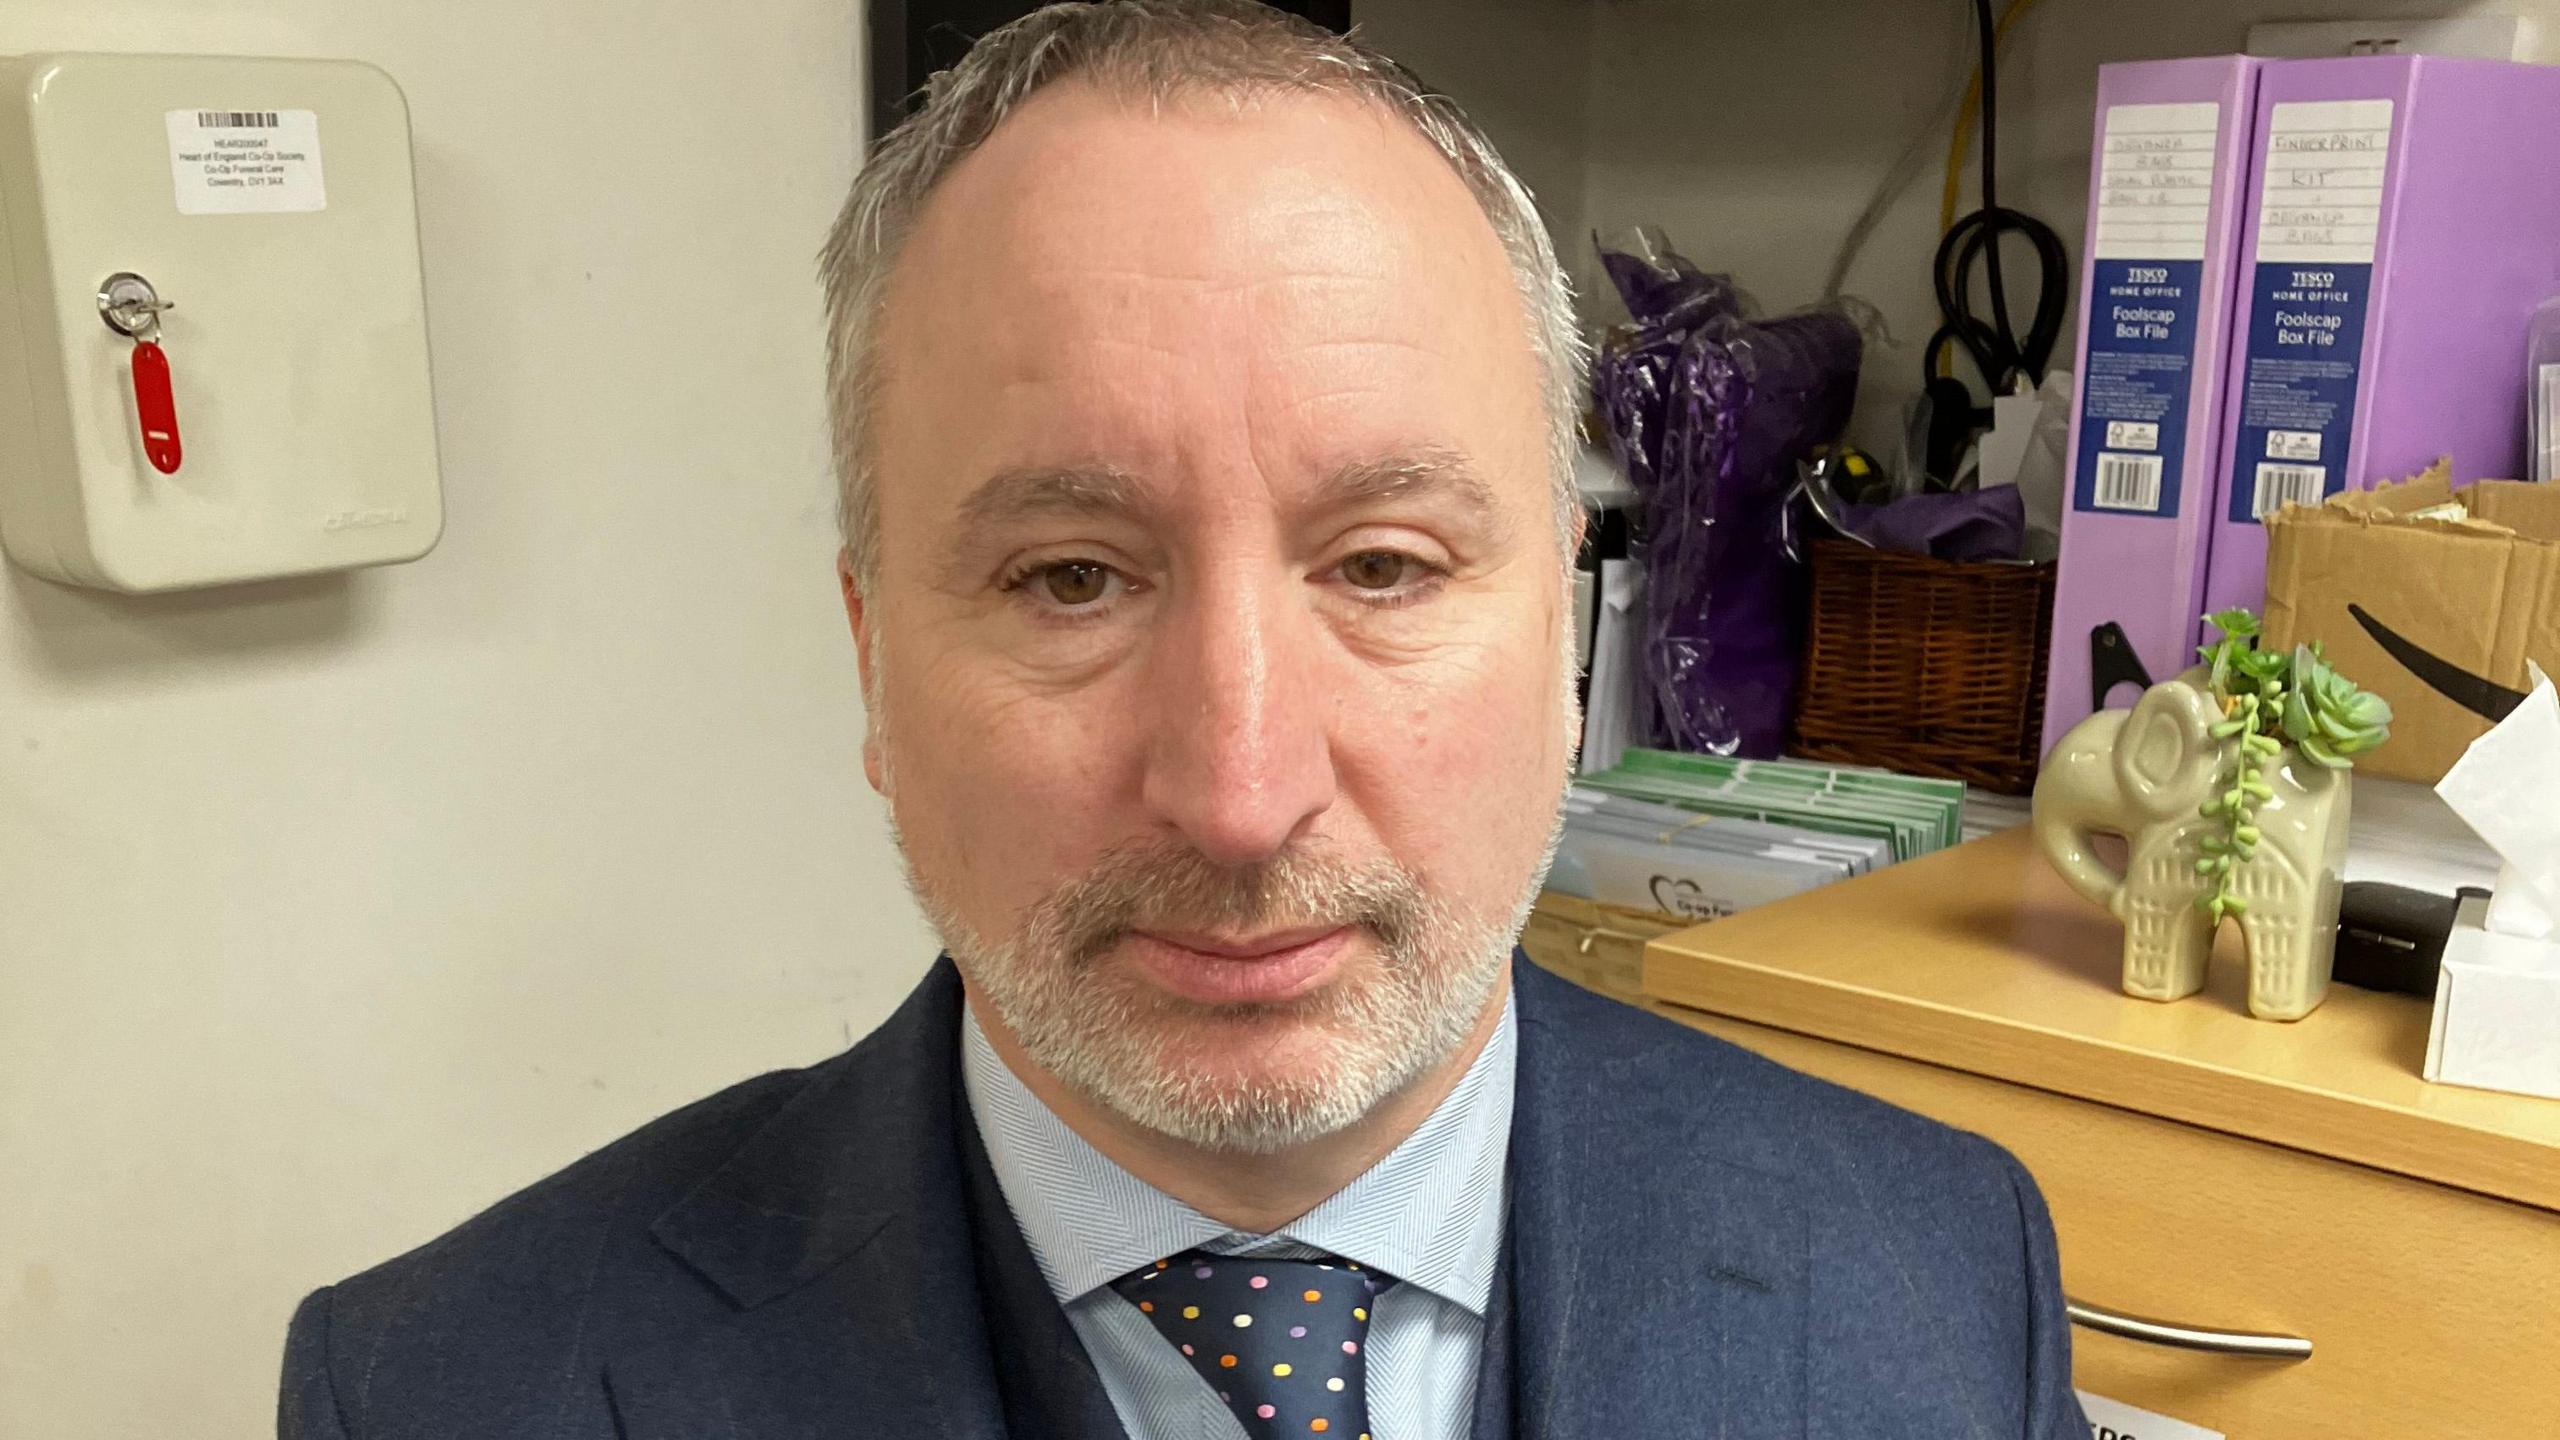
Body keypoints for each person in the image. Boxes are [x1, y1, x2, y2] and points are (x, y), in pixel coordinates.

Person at [278, 3, 2086, 1436]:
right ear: (870, 667)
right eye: (1072, 579)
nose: (1238, 795)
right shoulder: (442, 1389)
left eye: (1383, 566)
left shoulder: (1940, 1271)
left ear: (1568, 633)